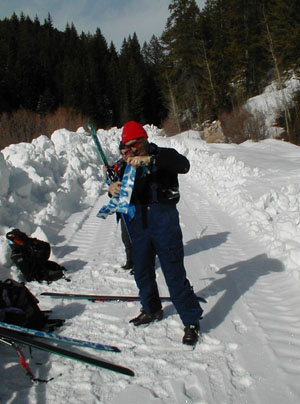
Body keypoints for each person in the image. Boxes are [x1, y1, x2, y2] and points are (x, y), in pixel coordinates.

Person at [109, 121, 203, 345]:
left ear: (145, 141)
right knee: (142, 271)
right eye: (127, 146)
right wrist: (112, 191)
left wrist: (148, 160)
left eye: (136, 145)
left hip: (164, 223)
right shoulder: (124, 165)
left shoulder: (164, 156)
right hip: (138, 225)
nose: (132, 150)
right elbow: (120, 198)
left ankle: (191, 320)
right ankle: (151, 309)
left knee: (174, 275)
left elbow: (184, 165)